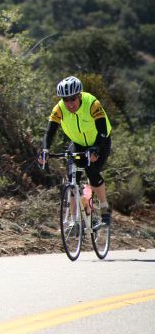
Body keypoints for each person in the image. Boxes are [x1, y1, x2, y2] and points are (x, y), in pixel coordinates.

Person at [38, 75, 113, 226]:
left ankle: (104, 206)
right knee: (73, 178)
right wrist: (45, 150)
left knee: (91, 170)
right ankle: (75, 220)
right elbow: (49, 132)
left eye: (72, 98)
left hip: (100, 141)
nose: (69, 103)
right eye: (65, 99)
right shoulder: (59, 109)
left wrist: (96, 148)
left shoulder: (92, 103)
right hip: (78, 144)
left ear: (79, 95)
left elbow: (102, 130)